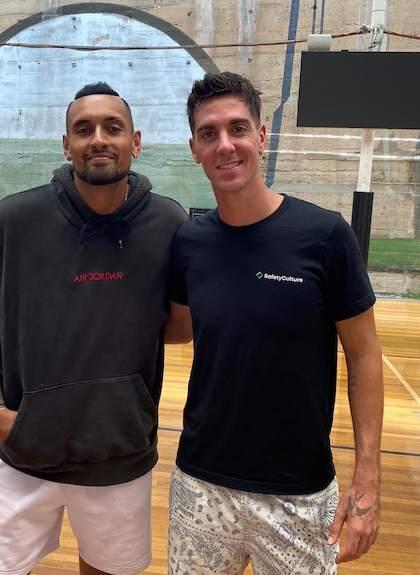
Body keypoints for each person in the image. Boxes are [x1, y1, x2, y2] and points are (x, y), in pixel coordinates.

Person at [0, 81, 191, 575]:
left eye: (113, 127)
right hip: (23, 452)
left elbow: (177, 326)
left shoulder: (170, 224)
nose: (98, 139)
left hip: (119, 457)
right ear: (66, 145)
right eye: (83, 129)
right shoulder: (13, 220)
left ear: (136, 140)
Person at [167, 71, 383, 574]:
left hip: (299, 497)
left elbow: (365, 356)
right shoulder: (188, 243)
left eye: (238, 128)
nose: (225, 145)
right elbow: (175, 328)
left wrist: (367, 478)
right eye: (209, 134)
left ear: (261, 136)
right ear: (194, 149)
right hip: (200, 486)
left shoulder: (325, 236)